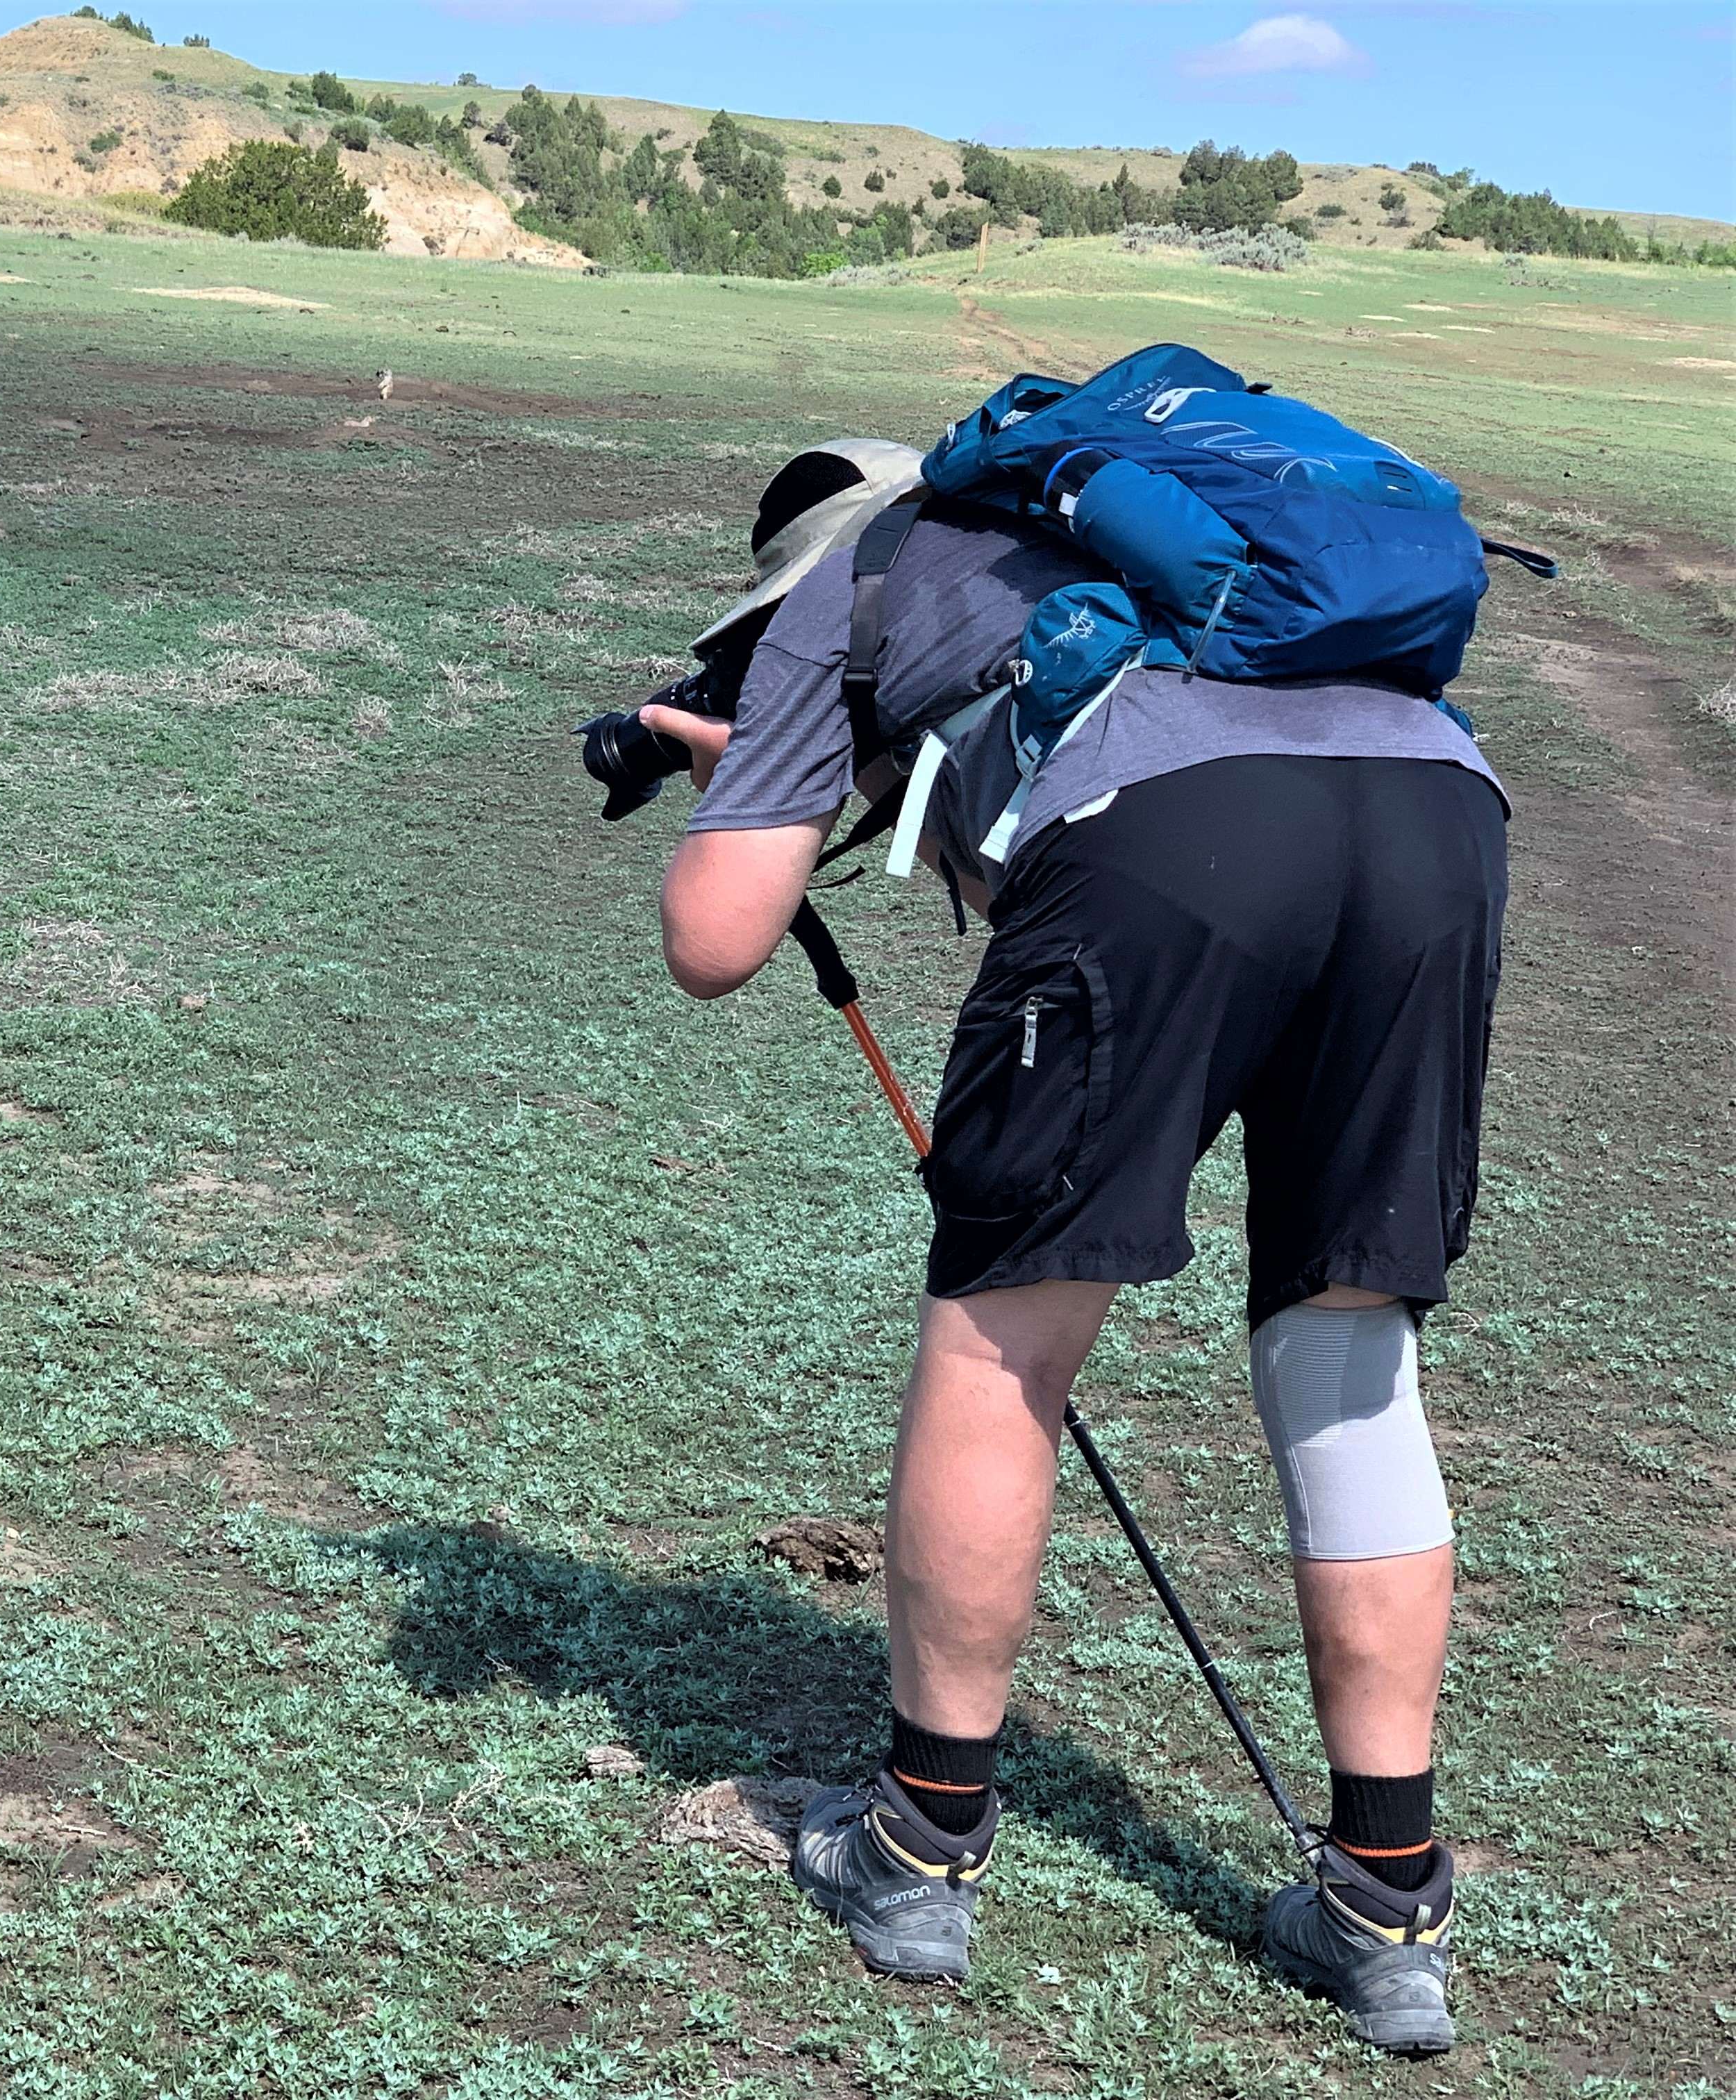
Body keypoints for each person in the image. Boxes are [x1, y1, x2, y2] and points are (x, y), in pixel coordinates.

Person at [642, 489, 1506, 2056]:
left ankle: (914, 1848)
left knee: (1003, 1347)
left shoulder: (846, 591)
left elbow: (717, 940)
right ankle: (1388, 1905)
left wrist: (762, 777)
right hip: (1439, 822)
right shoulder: (1158, 558)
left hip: (1172, 843)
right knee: (1351, 1353)